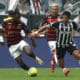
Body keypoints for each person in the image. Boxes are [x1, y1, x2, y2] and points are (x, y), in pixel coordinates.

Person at [34, 11, 80, 76]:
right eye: (63, 18)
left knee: (78, 55)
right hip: (60, 45)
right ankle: (64, 69)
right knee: (60, 62)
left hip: (69, 43)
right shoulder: (58, 24)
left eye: (66, 18)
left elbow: (78, 29)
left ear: (69, 18)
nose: (64, 19)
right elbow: (46, 27)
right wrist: (36, 32)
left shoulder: (73, 24)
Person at [40, 3, 61, 72]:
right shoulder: (47, 17)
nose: (54, 10)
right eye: (53, 9)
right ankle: (62, 68)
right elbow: (41, 26)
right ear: (51, 10)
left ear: (58, 10)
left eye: (56, 9)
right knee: (55, 51)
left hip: (59, 37)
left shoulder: (60, 17)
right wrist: (43, 31)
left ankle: (52, 62)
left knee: (59, 52)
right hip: (50, 38)